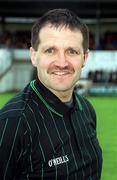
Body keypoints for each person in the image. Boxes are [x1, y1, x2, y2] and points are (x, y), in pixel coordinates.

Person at [0, 8, 102, 179]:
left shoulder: (87, 109)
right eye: (50, 50)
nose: (62, 63)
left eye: (72, 51)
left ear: (84, 57)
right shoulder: (12, 123)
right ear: (34, 56)